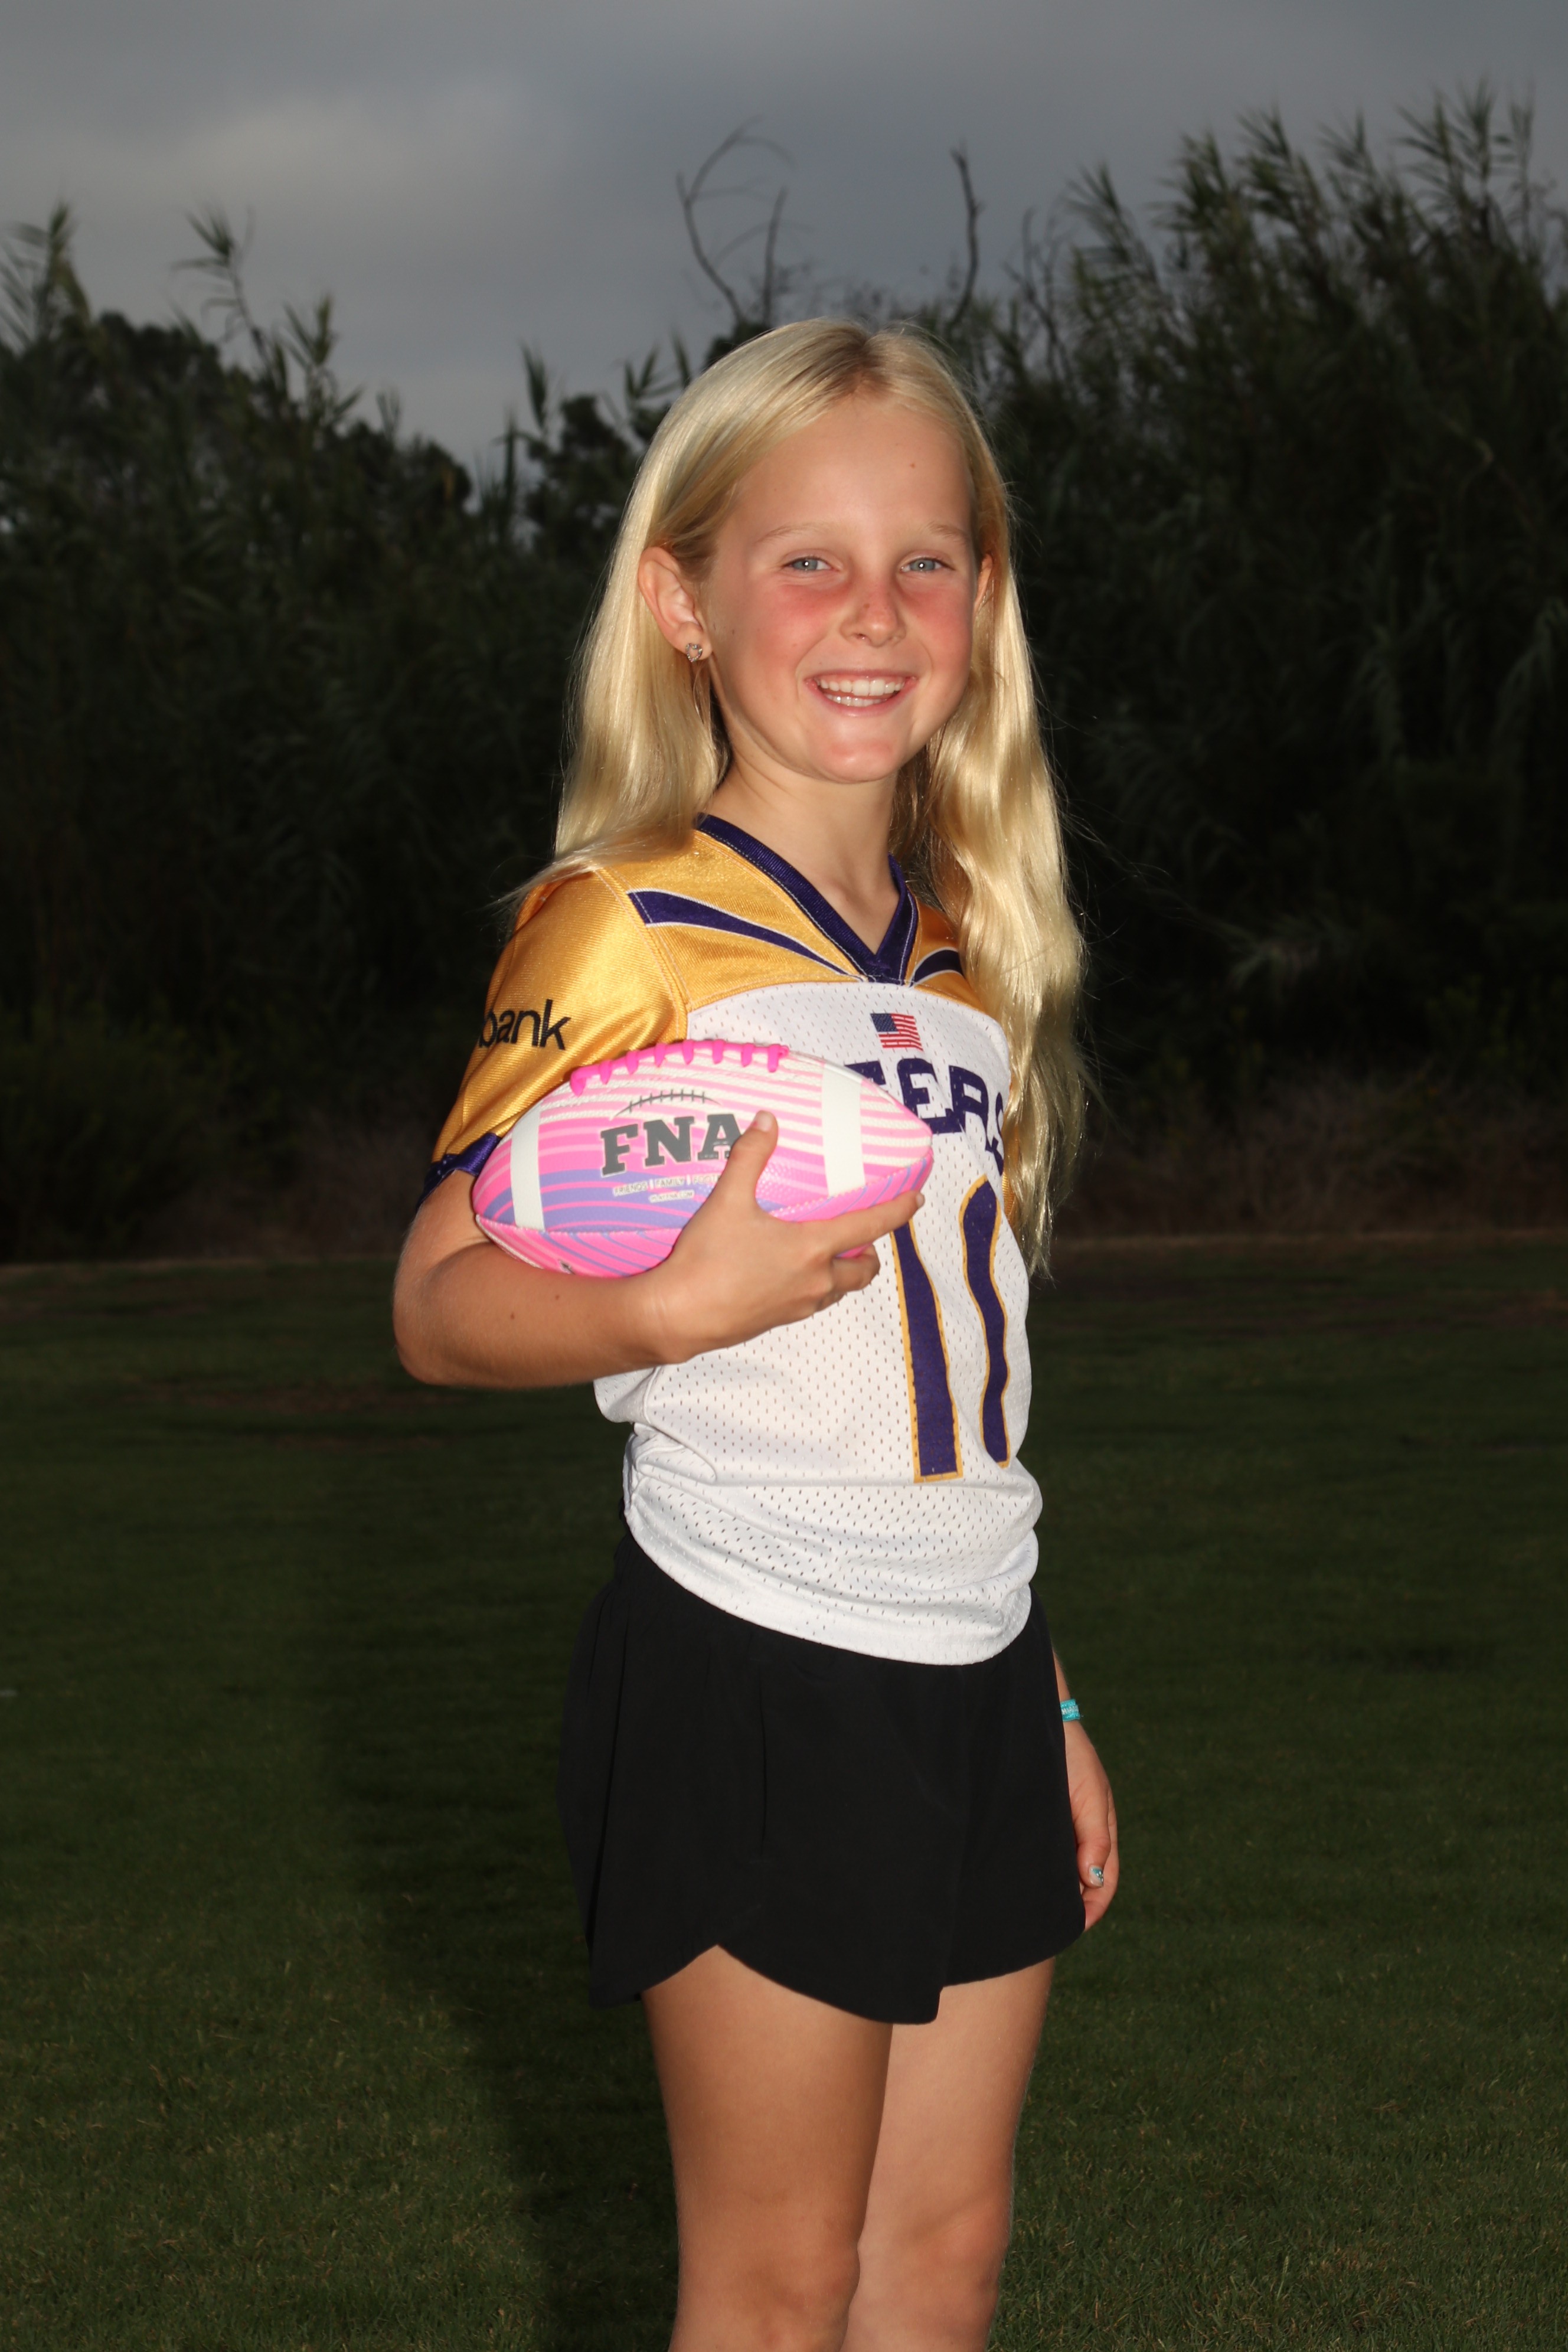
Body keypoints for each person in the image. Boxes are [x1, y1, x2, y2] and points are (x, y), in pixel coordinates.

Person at [394, 318, 1119, 2352]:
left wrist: (1050, 1692)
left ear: (983, 598)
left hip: (976, 1656)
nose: (875, 614)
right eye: (809, 560)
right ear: (685, 600)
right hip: (756, 1648)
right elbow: (435, 1305)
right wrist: (664, 1303)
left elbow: (956, 1379)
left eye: (926, 560)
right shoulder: (625, 923)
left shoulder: (972, 942)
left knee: (939, 2266)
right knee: (780, 2286)